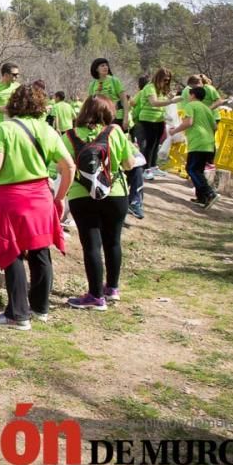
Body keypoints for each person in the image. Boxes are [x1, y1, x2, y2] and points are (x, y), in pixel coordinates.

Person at [0, 84, 73, 330]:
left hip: (13, 197)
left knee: (11, 251)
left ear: (13, 103)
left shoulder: (5, 129)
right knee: (40, 250)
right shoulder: (47, 130)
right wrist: (60, 196)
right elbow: (69, 166)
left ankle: (18, 314)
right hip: (41, 195)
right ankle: (40, 308)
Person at [62, 95, 136, 310]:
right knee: (113, 241)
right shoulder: (115, 132)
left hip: (81, 195)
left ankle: (95, 295)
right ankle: (112, 288)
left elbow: (62, 167)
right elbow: (129, 164)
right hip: (115, 192)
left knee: (91, 245)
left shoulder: (69, 136)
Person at [169, 86, 220, 209]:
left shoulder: (190, 106)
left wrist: (174, 131)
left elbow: (188, 122)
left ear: (192, 95)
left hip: (197, 142)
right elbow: (215, 127)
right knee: (197, 170)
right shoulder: (207, 109)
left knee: (192, 169)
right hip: (208, 143)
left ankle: (210, 193)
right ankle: (202, 198)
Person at [133, 68, 180, 180]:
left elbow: (163, 101)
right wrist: (170, 101)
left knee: (155, 145)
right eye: (164, 80)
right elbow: (154, 102)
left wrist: (170, 97)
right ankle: (145, 169)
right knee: (149, 145)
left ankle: (153, 166)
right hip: (148, 119)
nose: (166, 82)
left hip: (159, 119)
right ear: (158, 78)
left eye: (168, 81)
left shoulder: (161, 89)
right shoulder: (150, 87)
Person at [87, 58, 131, 129]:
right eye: (102, 65)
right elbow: (90, 105)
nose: (105, 67)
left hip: (116, 117)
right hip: (100, 119)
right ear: (96, 69)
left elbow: (124, 101)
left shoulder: (114, 81)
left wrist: (126, 118)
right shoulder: (92, 84)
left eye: (106, 65)